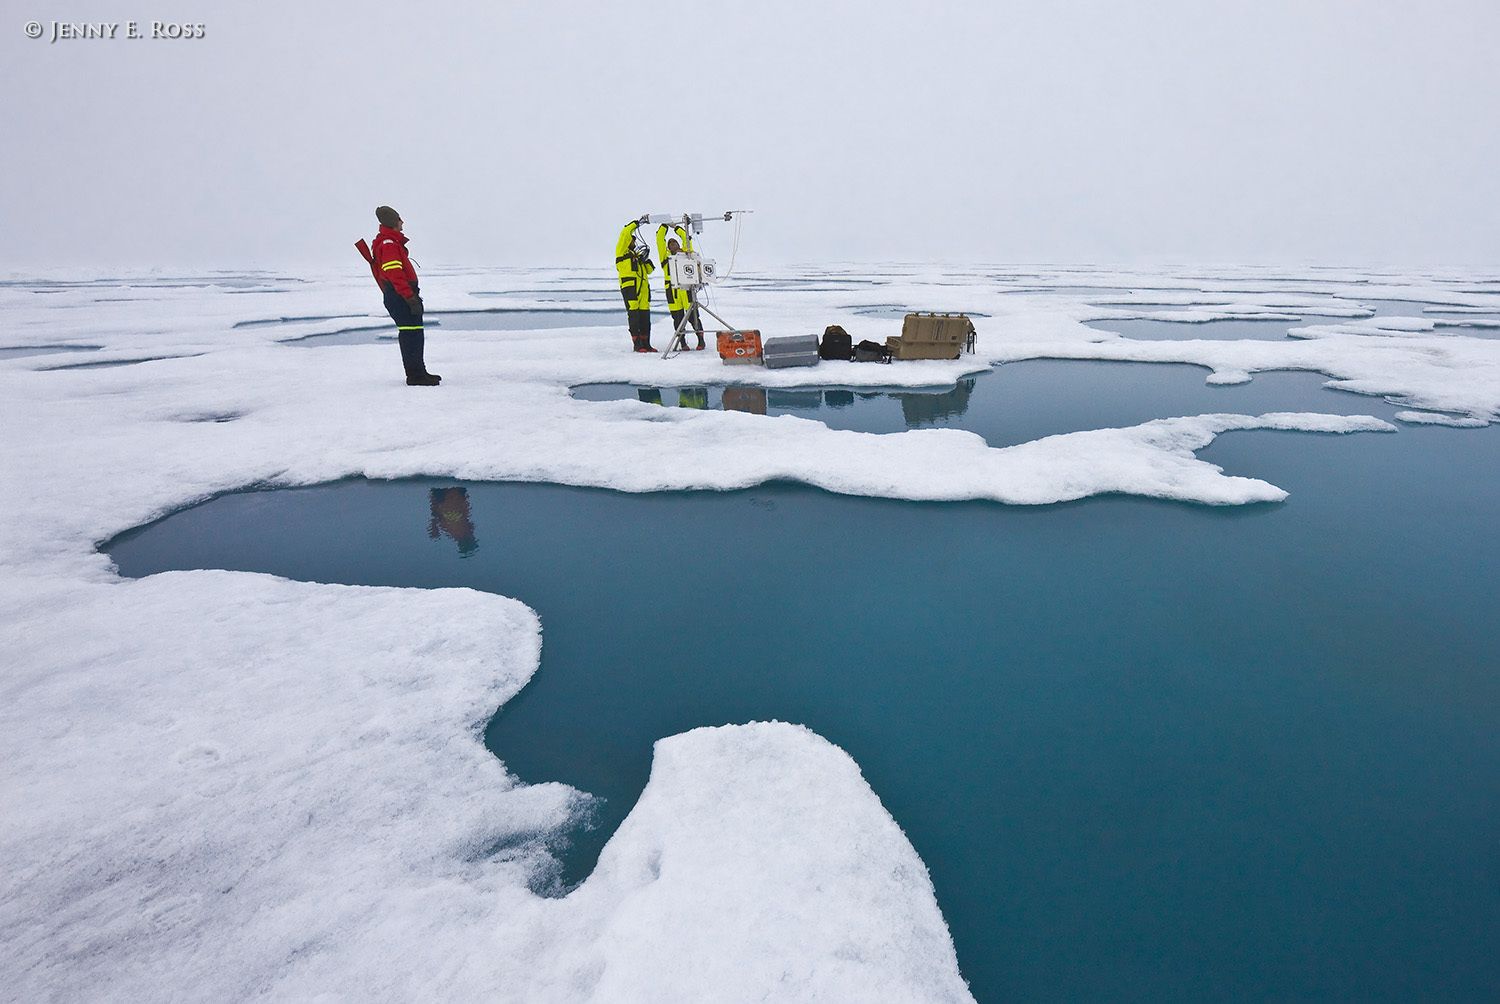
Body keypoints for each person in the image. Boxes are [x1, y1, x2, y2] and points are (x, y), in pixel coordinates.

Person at [371, 206, 441, 386]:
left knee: (415, 333)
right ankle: (415, 376)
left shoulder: (390, 242)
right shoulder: (389, 244)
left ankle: (419, 372)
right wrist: (409, 297)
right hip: (400, 295)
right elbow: (395, 273)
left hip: (401, 294)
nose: (402, 222)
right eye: (400, 219)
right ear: (393, 222)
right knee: (411, 333)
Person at [656, 223, 706, 350]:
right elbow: (659, 241)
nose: (673, 244)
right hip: (672, 291)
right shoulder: (665, 258)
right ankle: (682, 343)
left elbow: (686, 238)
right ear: (668, 248)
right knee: (677, 318)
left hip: (686, 289)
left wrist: (676, 227)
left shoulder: (686, 254)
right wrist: (664, 226)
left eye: (675, 243)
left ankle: (701, 341)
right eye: (670, 244)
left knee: (693, 316)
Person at [614, 218, 656, 352]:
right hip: (630, 288)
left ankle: (646, 343)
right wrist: (637, 223)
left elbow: (649, 270)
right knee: (634, 315)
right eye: (632, 240)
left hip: (643, 291)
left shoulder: (637, 257)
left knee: (645, 316)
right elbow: (625, 232)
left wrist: (645, 259)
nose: (634, 242)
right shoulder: (621, 252)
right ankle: (637, 344)